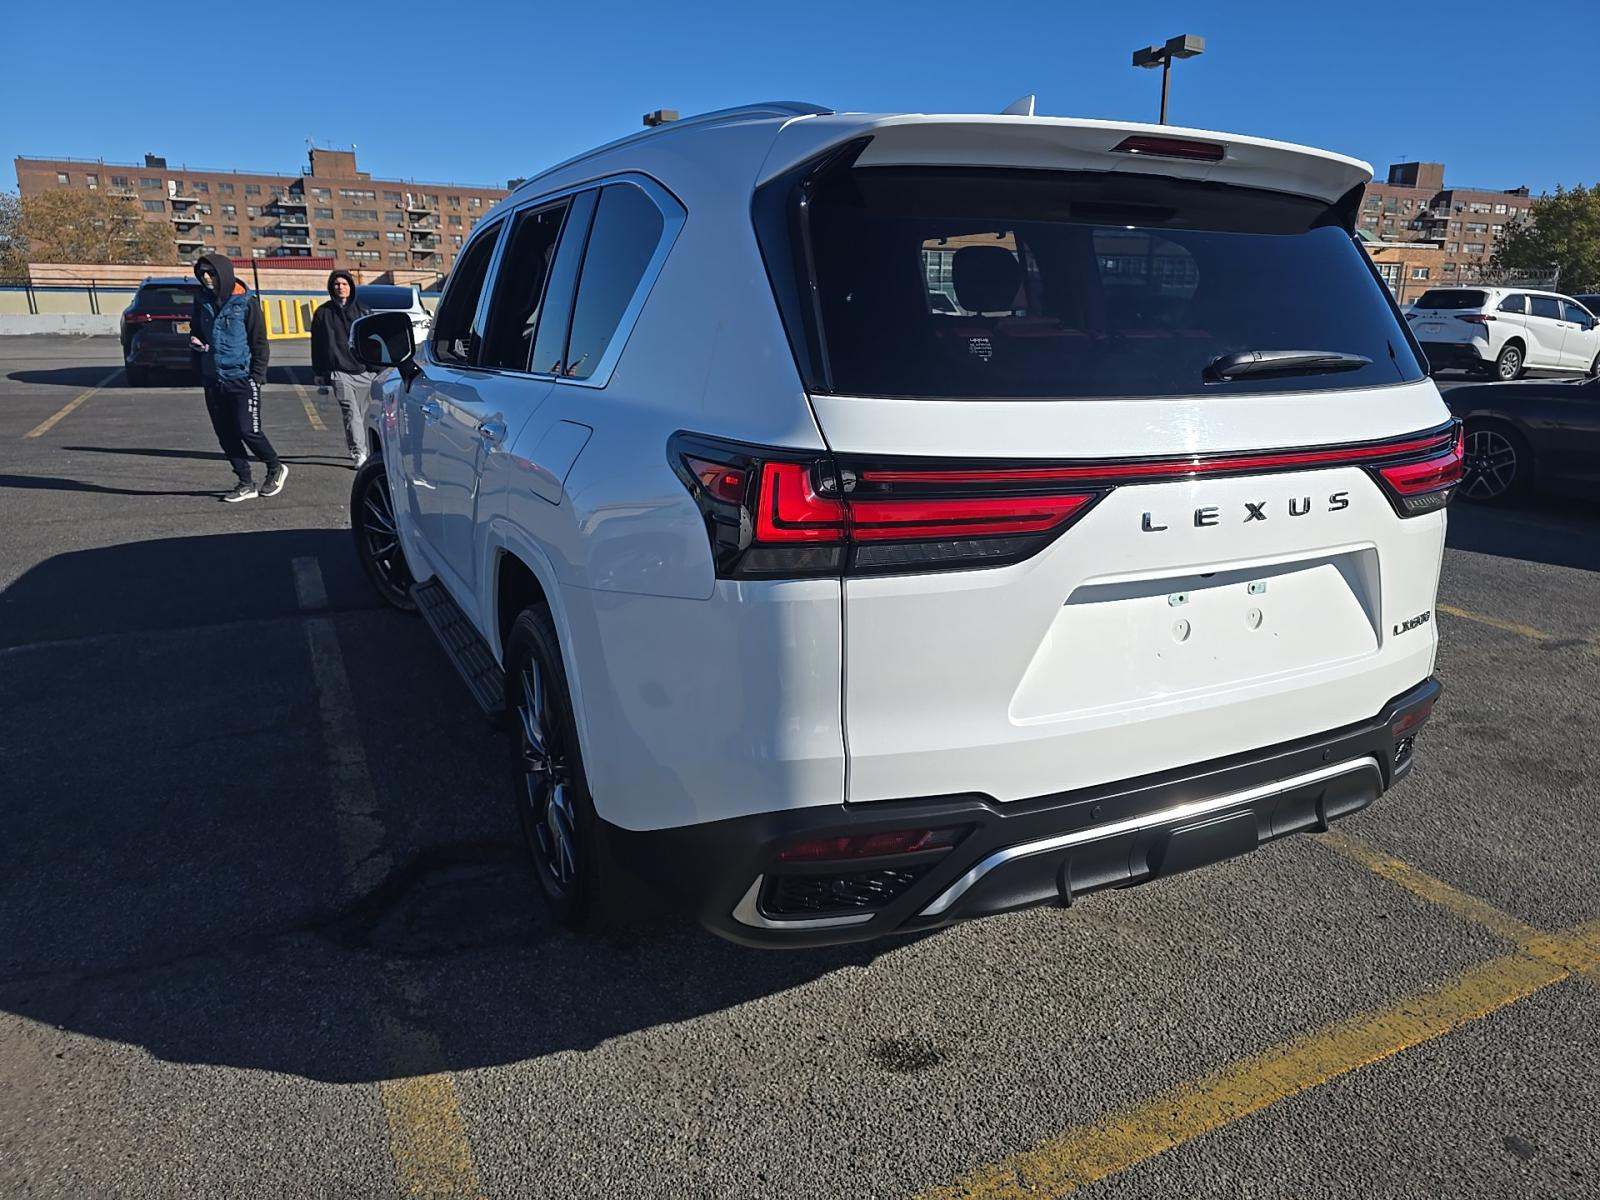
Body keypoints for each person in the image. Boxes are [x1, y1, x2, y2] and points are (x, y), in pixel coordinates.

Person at [189, 253, 285, 502]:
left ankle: (275, 467)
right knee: (226, 434)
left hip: (242, 377)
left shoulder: (246, 302)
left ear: (224, 273)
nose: (207, 278)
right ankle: (245, 482)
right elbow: (196, 332)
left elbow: (259, 341)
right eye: (202, 274)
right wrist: (196, 347)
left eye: (211, 273)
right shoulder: (201, 302)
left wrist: (257, 376)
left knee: (248, 430)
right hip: (213, 379)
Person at [310, 269, 379, 468]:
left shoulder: (363, 311)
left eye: (344, 284)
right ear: (331, 288)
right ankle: (358, 453)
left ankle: (369, 449)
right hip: (339, 371)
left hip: (365, 370)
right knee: (351, 413)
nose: (340, 287)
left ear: (351, 286)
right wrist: (319, 372)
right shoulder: (323, 313)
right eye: (336, 284)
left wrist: (377, 368)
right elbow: (317, 344)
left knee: (365, 414)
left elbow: (373, 342)